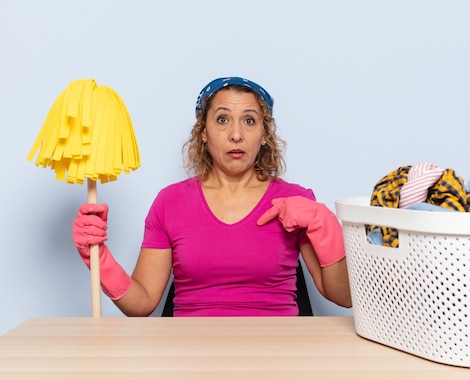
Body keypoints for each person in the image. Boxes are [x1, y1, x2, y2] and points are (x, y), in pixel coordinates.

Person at [72, 76, 352, 316]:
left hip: (276, 356)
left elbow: (344, 298)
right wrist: (99, 257)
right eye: (222, 120)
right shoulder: (170, 203)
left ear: (264, 135)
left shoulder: (296, 200)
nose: (236, 135)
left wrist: (324, 225)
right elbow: (141, 303)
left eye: (250, 121)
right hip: (191, 358)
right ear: (203, 133)